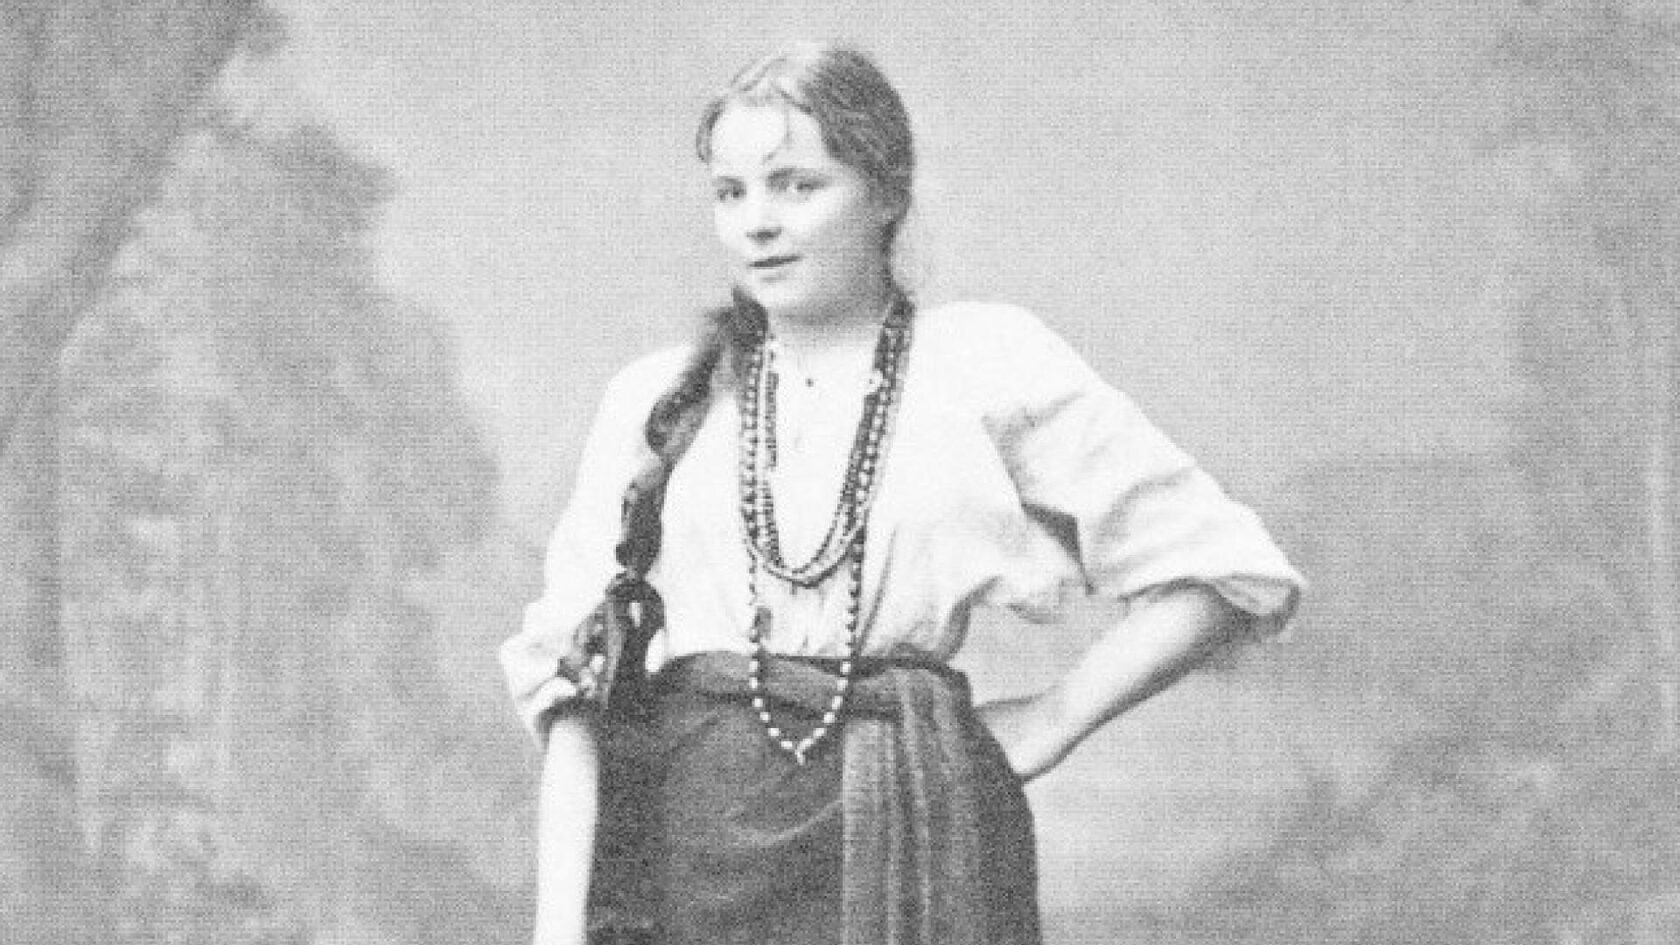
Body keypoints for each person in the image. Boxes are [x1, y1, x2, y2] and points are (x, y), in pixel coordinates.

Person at [500, 41, 1305, 945]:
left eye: (797, 185)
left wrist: (1056, 716)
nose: (757, 223)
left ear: (887, 192)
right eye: (731, 192)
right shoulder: (656, 400)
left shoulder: (985, 364)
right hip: (689, 851)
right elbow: (572, 690)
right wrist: (557, 931)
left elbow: (1226, 568)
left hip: (922, 822)